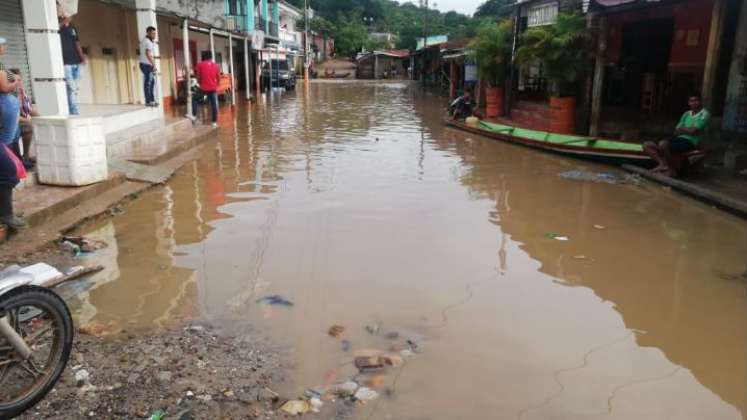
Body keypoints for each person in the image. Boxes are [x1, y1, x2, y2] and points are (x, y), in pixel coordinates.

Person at [643, 93, 711, 177]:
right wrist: (687, 129)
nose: (693, 103)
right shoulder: (686, 114)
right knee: (647, 145)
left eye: (696, 100)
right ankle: (663, 164)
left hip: (692, 141)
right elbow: (676, 131)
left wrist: (683, 128)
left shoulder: (704, 114)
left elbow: (693, 132)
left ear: (700, 101)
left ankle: (672, 170)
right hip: (679, 139)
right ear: (688, 103)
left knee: (663, 144)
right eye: (691, 101)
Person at [0, 39, 26, 229]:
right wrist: (15, 81)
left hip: (5, 136)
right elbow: (5, 86)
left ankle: (6, 214)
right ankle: (6, 216)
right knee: (9, 172)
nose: (4, 47)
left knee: (8, 171)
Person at [9, 69, 38, 169]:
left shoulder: (21, 92)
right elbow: (13, 115)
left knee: (31, 127)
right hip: (9, 123)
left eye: (20, 79)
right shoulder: (7, 94)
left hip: (18, 120)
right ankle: (18, 161)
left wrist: (42, 118)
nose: (18, 82)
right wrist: (29, 120)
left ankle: (26, 156)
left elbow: (29, 109)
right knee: (16, 130)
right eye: (16, 80)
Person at [59, 15, 87, 115]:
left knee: (74, 88)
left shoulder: (73, 28)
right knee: (71, 88)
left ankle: (71, 109)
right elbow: (53, 31)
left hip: (77, 62)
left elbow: (77, 43)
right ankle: (74, 111)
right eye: (68, 15)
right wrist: (63, 22)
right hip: (66, 63)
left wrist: (82, 57)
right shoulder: (57, 27)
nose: (70, 17)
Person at [187, 51, 220, 128]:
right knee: (214, 105)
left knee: (194, 99)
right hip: (213, 88)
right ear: (211, 57)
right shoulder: (216, 66)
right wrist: (216, 85)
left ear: (204, 57)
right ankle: (214, 122)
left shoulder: (200, 65)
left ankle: (194, 116)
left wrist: (200, 83)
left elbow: (198, 77)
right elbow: (218, 78)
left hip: (203, 88)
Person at [139, 26, 158, 107]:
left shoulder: (147, 41)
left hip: (145, 64)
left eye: (155, 33)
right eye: (153, 33)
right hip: (146, 65)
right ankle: (148, 101)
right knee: (148, 83)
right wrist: (154, 65)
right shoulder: (148, 42)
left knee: (151, 82)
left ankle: (152, 100)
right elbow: (148, 54)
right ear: (148, 33)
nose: (154, 35)